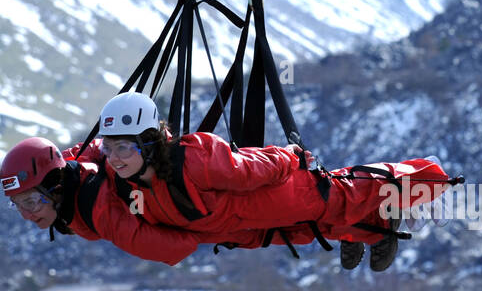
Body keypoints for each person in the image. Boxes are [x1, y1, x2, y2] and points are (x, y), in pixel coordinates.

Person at [74, 92, 458, 271]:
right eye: (111, 148)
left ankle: (428, 175)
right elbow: (84, 160)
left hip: (277, 194)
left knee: (344, 196)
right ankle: (376, 229)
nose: (115, 157)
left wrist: (290, 157)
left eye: (124, 147)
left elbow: (249, 169)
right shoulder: (122, 180)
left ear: (148, 142)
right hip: (248, 226)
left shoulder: (192, 158)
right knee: (315, 228)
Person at [0, 136, 267, 266]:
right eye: (18, 204)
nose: (28, 214)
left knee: (296, 209)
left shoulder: (100, 214)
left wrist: (167, 213)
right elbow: (94, 147)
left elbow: (178, 247)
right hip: (242, 218)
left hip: (244, 219)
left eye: (32, 201)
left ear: (54, 186)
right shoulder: (72, 170)